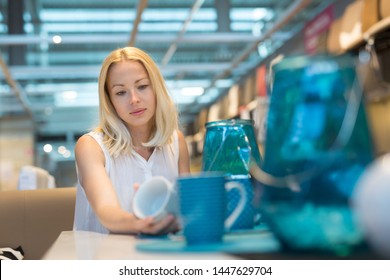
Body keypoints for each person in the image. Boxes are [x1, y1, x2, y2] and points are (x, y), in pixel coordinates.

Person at [73, 47, 190, 235]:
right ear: (109, 100)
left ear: (156, 88)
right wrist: (139, 223)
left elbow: (187, 205)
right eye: (121, 92)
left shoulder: (176, 141)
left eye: (142, 86)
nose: (134, 99)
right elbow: (106, 211)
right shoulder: (91, 147)